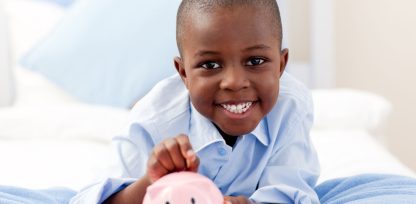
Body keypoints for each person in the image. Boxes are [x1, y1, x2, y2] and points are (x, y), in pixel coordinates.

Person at [70, 0, 320, 203]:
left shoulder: (291, 107)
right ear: (184, 74)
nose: (234, 82)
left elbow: (293, 192)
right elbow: (89, 199)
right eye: (210, 65)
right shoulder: (154, 120)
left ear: (281, 65)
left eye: (255, 61)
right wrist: (150, 183)